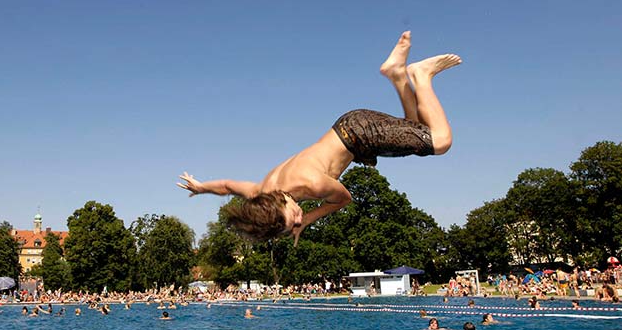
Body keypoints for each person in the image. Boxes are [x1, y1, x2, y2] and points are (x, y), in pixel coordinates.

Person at [178, 31, 461, 244]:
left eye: (293, 219)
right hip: (351, 131)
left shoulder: (311, 184)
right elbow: (227, 186)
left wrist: (309, 220)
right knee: (416, 128)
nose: (298, 218)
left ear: (281, 205)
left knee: (440, 141)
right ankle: (397, 74)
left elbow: (344, 199)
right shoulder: (261, 192)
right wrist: (202, 188)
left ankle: (420, 74)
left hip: (361, 133)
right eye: (293, 225)